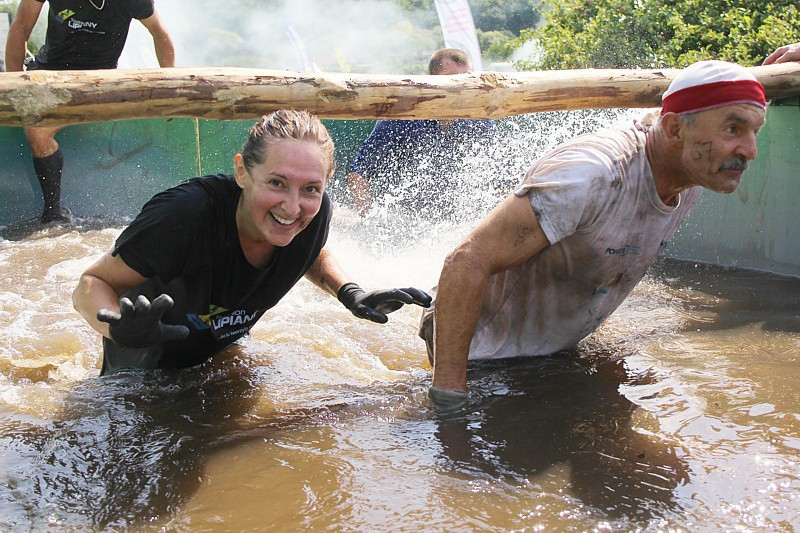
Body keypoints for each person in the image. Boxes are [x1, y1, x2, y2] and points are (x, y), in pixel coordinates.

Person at [421, 60, 767, 411]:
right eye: (733, 129)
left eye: (755, 131)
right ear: (674, 128)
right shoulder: (591, 176)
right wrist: (449, 397)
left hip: (551, 354)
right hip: (482, 355)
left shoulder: (690, 178)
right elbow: (465, 260)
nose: (750, 150)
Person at [72, 110, 432, 375]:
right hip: (139, 374)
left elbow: (309, 250)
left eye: (311, 188)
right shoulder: (186, 215)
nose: (292, 207)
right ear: (242, 171)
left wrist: (350, 293)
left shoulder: (313, 214)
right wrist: (118, 328)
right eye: (276, 183)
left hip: (215, 362)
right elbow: (91, 283)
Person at [5, 0, 175, 223]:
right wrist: (15, 86)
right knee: (37, 132)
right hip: (51, 74)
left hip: (99, 80)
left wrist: (169, 85)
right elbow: (21, 25)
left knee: (38, 130)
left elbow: (158, 31)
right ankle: (53, 213)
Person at [346, 48, 495, 218]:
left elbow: (500, 177)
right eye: (452, 80)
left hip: (463, 219)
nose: (461, 89)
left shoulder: (479, 121)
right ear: (430, 82)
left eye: (467, 81)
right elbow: (358, 173)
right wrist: (369, 221)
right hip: (407, 220)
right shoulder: (402, 119)